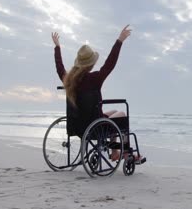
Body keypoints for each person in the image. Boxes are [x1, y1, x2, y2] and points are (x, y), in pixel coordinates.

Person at [51, 25, 138, 161]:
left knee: (114, 111)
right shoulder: (95, 79)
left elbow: (59, 68)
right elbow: (110, 63)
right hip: (94, 128)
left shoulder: (69, 81)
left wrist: (57, 47)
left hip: (78, 127)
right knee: (121, 114)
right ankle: (123, 152)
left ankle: (114, 152)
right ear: (91, 64)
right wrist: (119, 41)